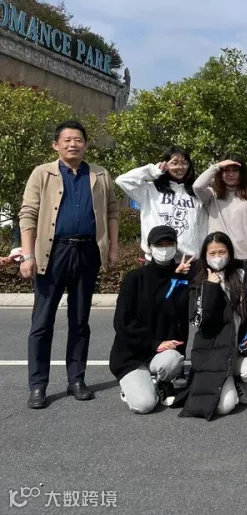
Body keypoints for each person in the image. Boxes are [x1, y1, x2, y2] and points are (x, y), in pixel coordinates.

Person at [20, 120, 120, 409]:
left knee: (80, 320)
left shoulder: (99, 174)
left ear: (86, 144)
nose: (73, 144)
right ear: (56, 145)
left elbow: (112, 211)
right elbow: (28, 214)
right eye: (67, 140)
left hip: (87, 251)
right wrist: (28, 255)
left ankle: (76, 379)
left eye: (78, 139)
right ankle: (38, 385)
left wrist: (113, 247)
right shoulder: (42, 173)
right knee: (42, 322)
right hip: (53, 252)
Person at [179, 232, 247, 420]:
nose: (217, 257)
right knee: (225, 406)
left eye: (222, 252)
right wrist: (211, 288)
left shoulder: (242, 275)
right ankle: (232, 386)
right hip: (214, 358)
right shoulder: (199, 282)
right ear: (205, 256)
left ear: (230, 252)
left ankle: (240, 386)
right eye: (212, 253)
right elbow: (199, 321)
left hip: (237, 353)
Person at [110, 225, 190, 414]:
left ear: (176, 246)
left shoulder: (180, 279)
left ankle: (160, 381)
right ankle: (134, 386)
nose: (164, 249)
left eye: (169, 244)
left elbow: (178, 316)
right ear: (150, 247)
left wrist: (178, 276)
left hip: (161, 354)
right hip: (131, 355)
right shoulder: (135, 278)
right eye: (159, 244)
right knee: (145, 405)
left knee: (173, 359)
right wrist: (154, 343)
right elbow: (122, 322)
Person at [116, 146, 207, 259]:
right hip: (156, 259)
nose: (180, 167)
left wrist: (202, 257)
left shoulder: (196, 194)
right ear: (165, 164)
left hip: (188, 261)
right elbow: (122, 180)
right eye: (174, 163)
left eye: (184, 163)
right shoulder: (149, 190)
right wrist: (154, 171)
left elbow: (202, 229)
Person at [193, 155, 247, 259]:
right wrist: (217, 166)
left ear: (241, 173)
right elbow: (197, 186)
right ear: (220, 173)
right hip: (218, 255)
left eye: (235, 170)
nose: (231, 174)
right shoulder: (212, 195)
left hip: (246, 254)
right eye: (226, 170)